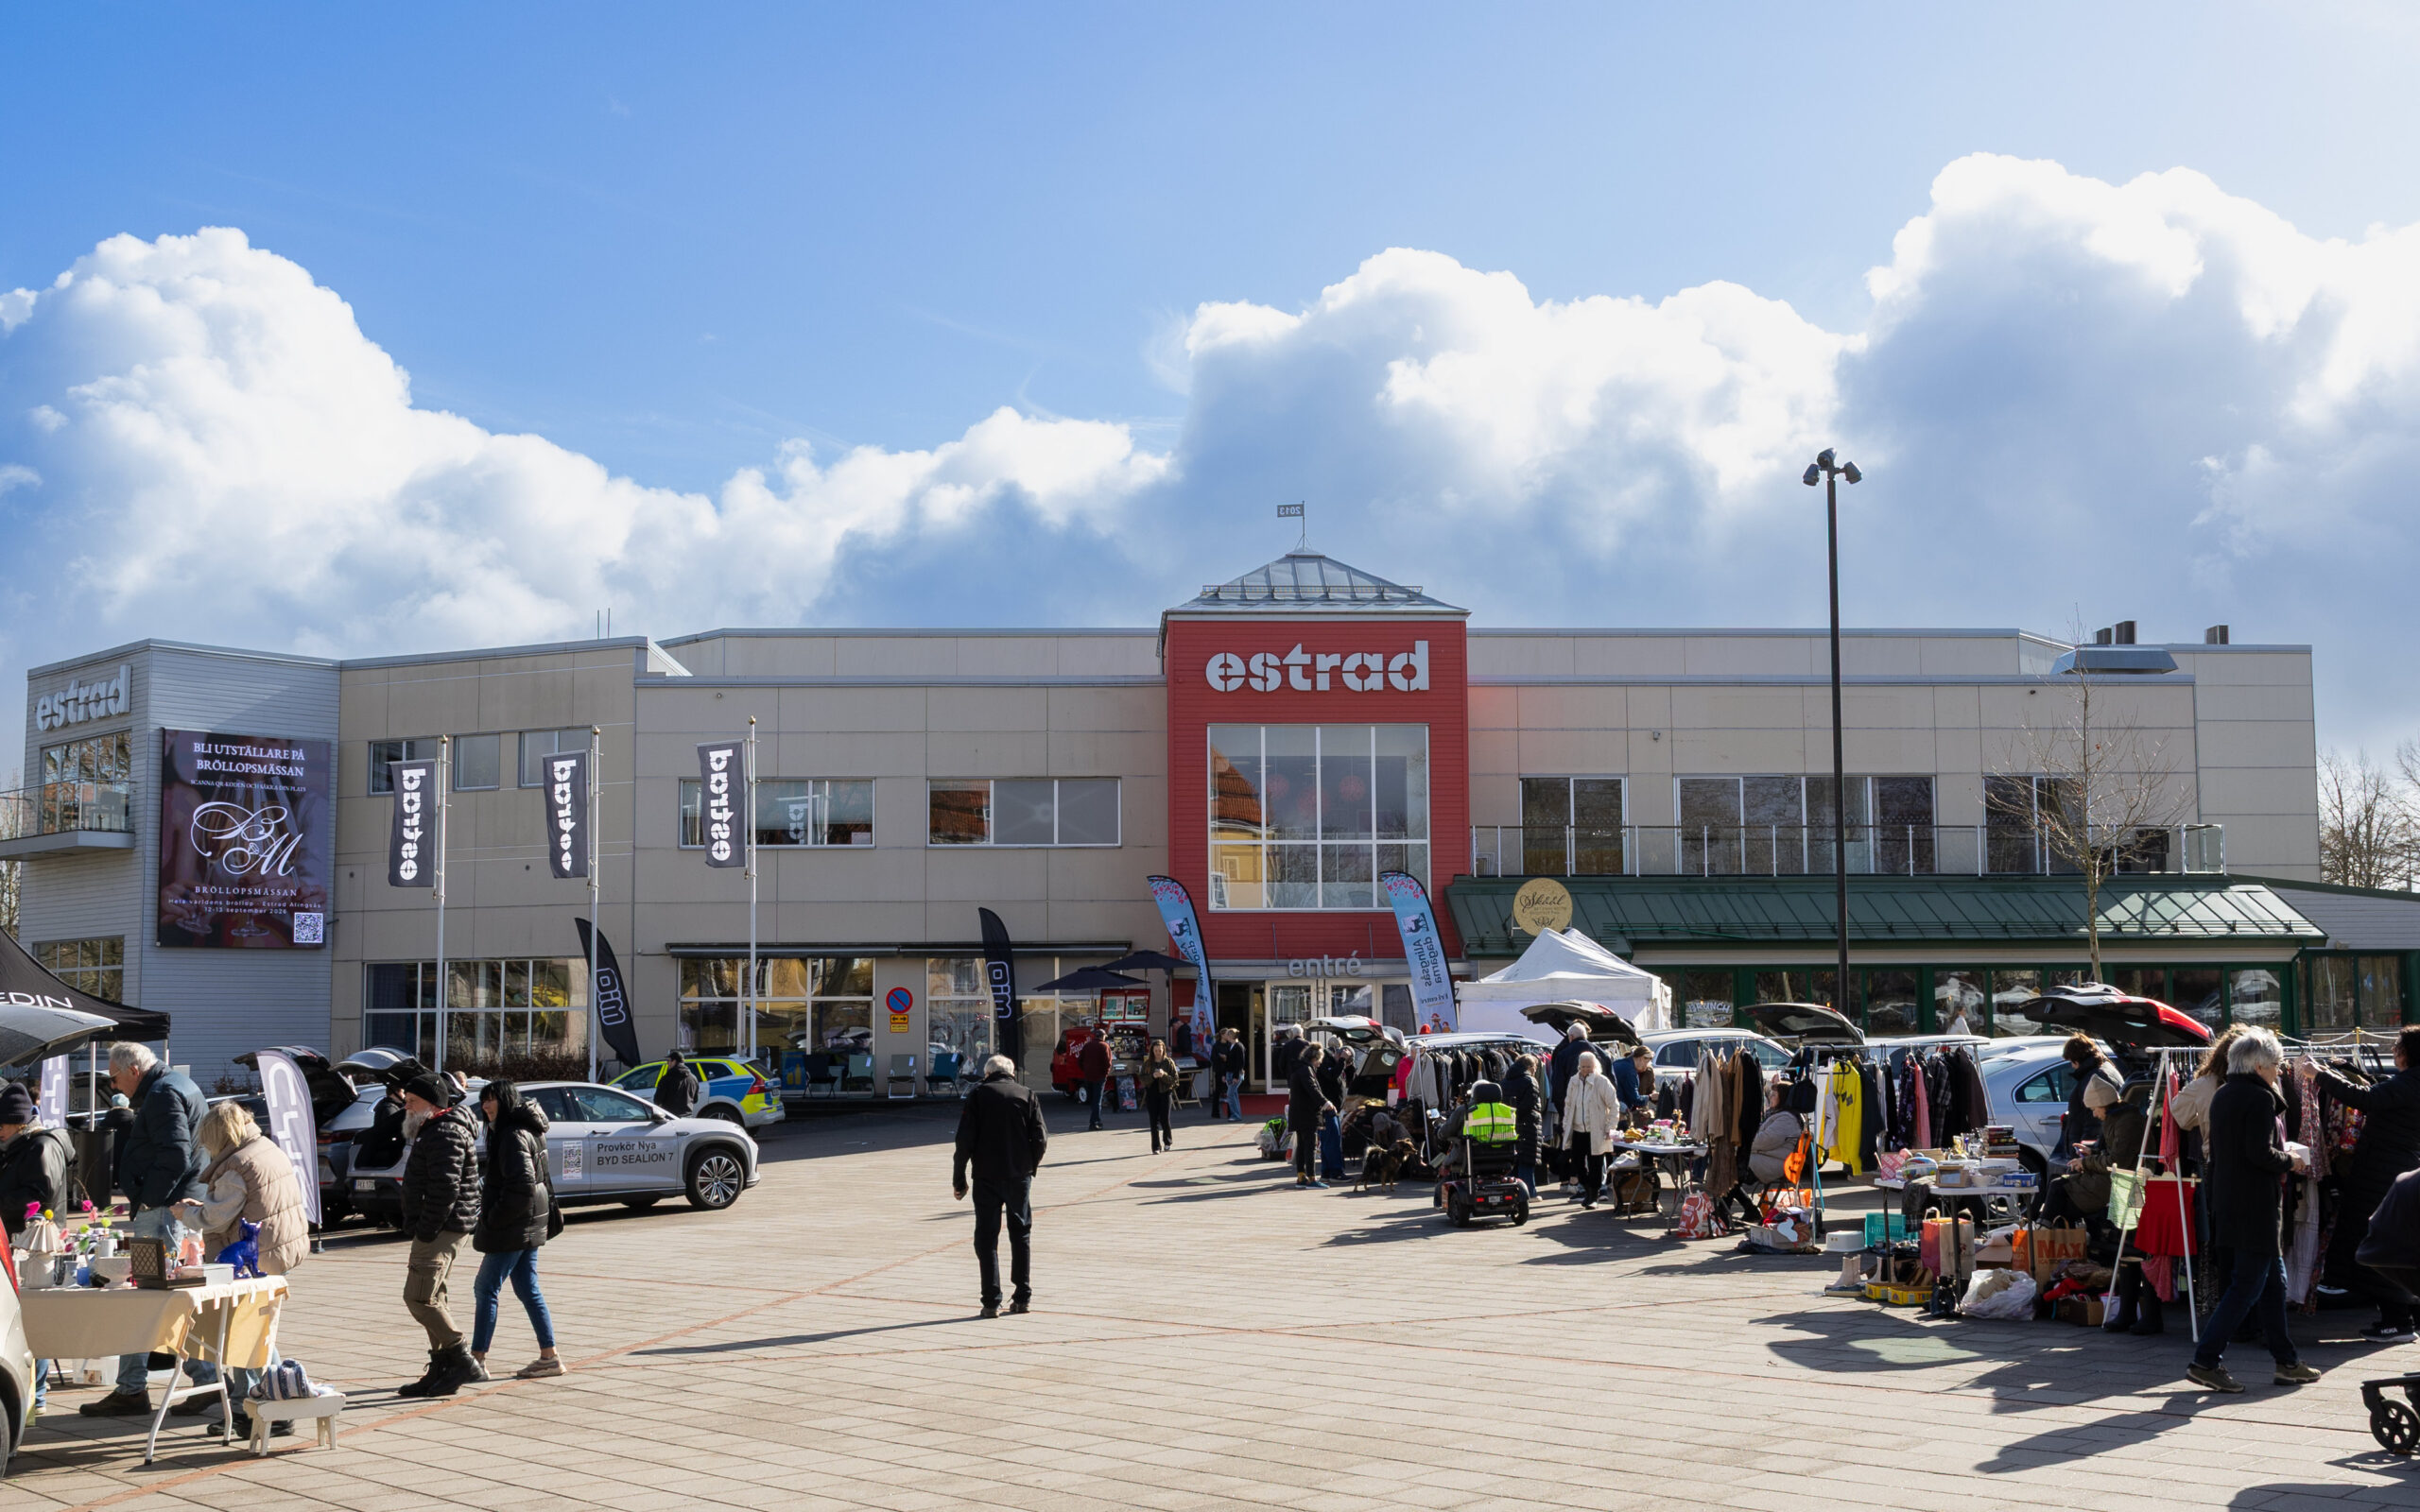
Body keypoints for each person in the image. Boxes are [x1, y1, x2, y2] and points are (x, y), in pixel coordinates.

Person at [2187, 1027, 2322, 1394]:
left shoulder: (2224, 1093)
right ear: (2260, 1065)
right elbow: (2258, 1153)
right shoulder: (2259, 1099)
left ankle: (2287, 1361)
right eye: (2277, 1065)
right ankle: (2206, 1360)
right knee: (2246, 1287)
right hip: (2255, 1207)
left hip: (2233, 1202)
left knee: (2274, 1285)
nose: (2279, 1071)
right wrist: (2291, 1160)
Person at [82, 1042, 208, 1418]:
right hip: (177, 1205)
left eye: (114, 1076)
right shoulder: (174, 1085)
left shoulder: (164, 1091)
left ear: (133, 1070)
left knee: (151, 1298)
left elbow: (175, 1154)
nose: (113, 1083)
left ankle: (146, 1387)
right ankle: (159, 1384)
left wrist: (150, 1199)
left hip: (166, 1209)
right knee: (160, 1298)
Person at [174, 1101, 307, 1421]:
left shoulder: (237, 1164)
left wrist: (186, 1213)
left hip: (252, 1258)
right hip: (276, 1249)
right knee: (260, 1329)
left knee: (248, 1333)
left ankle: (260, 1401)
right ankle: (271, 1395)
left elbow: (215, 1218)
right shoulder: (265, 1148)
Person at [2314, 1026, 2420, 1342]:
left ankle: (2397, 1322)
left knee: (2382, 1243)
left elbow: (2365, 1099)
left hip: (2384, 1173)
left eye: (2398, 1046)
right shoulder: (2408, 1082)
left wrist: (2321, 1075)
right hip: (2392, 1169)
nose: (2394, 1052)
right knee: (2390, 1241)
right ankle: (2399, 1318)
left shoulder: (2411, 1082)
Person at [471, 1081, 565, 1381]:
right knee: (528, 1289)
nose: (486, 1107)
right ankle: (549, 1357)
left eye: (491, 1100)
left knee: (486, 1288)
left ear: (506, 1101)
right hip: (529, 1223)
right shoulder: (526, 1128)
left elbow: (522, 1186)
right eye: (483, 1101)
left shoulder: (511, 1135)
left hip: (514, 1227)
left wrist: (493, 1219)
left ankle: (476, 1361)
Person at [396, 1072, 483, 1398]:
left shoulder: (444, 1132)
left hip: (441, 1228)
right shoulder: (434, 1129)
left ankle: (460, 1358)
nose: (407, 1106)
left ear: (433, 1103)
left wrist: (426, 1228)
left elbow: (445, 1188)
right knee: (434, 1297)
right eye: (406, 1101)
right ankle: (441, 1366)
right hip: (443, 1225)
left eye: (413, 1101)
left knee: (418, 1297)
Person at [953, 1055, 1048, 1317]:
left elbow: (964, 1140)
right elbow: (1040, 1137)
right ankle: (1022, 1296)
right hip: (1019, 1176)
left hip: (985, 1176)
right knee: (1021, 1233)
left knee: (986, 1237)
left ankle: (991, 1301)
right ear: (1012, 1073)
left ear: (987, 1074)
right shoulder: (1026, 1094)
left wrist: (959, 1178)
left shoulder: (978, 1095)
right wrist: (1030, 1166)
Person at [1, 1081, 72, 1420]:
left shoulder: (41, 1146)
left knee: (29, 1321)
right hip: (21, 1239)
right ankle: (34, 1395)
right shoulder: (22, 1145)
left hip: (34, 1244)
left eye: (1, 1124)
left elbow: (36, 1199)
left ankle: (36, 1395)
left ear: (17, 1122)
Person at [1559, 1051, 1620, 1209]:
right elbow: (1569, 1104)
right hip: (1578, 1129)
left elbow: (1614, 1105)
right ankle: (1588, 1189)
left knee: (1595, 1164)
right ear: (1579, 1066)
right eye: (1583, 1066)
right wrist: (1566, 1124)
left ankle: (1593, 1196)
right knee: (1578, 1163)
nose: (1586, 1069)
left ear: (1595, 1066)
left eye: (1589, 1066)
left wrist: (1610, 1127)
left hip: (1597, 1130)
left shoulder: (1602, 1081)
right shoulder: (1573, 1081)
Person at [2058, 1034, 2122, 1158]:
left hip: (2090, 1151)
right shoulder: (2105, 1069)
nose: (2072, 1066)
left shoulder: (2093, 1078)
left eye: (2071, 1061)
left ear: (2076, 1060)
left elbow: (2094, 1123)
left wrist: (2085, 1155)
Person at [1288, 1044, 1333, 1190]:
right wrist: (1326, 1103)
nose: (1320, 1064)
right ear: (1314, 1058)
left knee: (1301, 1146)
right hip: (1307, 1114)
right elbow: (1312, 1089)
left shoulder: (1298, 1068)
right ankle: (1312, 1179)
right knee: (1310, 1146)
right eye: (1319, 1060)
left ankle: (1301, 1177)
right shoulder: (1307, 1070)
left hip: (1298, 1113)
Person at [1747, 1081, 1804, 1187]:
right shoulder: (1780, 1114)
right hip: (1768, 1158)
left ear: (1783, 1098)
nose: (1770, 1098)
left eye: (1774, 1095)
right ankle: (1741, 1203)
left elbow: (1765, 1141)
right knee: (1730, 1167)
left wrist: (1742, 1144)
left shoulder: (1787, 1118)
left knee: (1731, 1167)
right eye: (1770, 1095)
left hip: (1775, 1163)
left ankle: (1737, 1203)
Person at [1502, 1054, 1544, 1195]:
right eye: (1535, 1067)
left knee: (1513, 1160)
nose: (1536, 1070)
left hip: (1508, 1124)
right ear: (1530, 1066)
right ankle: (1529, 1193)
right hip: (1528, 1124)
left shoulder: (1504, 1081)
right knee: (1528, 1160)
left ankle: (1510, 1191)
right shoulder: (1530, 1081)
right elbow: (1530, 1104)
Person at [1141, 1039, 1178, 1153]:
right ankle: (1156, 1147)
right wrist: (1153, 1076)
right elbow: (1142, 1079)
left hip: (1165, 1093)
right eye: (1155, 1050)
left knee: (1165, 1119)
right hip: (1152, 1094)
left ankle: (1167, 1141)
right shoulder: (1148, 1063)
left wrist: (1163, 1075)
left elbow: (1175, 1081)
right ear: (1152, 1051)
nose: (1157, 1053)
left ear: (1163, 1050)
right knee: (1153, 1121)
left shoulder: (1168, 1062)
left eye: (1159, 1050)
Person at [1612, 1046, 1655, 1127]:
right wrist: (1650, 1097)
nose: (1646, 1067)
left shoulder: (1617, 1063)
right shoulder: (1631, 1072)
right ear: (1641, 1058)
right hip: (1619, 1111)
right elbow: (1634, 1099)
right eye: (1646, 1063)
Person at [1079, 1029, 1112, 1131]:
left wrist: (1085, 1070)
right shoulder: (1104, 1046)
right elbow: (1108, 1063)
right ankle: (1095, 1122)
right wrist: (1105, 1074)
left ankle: (1094, 1120)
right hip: (1099, 1077)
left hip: (1088, 1076)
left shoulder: (1087, 1045)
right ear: (1103, 1036)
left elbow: (1079, 1061)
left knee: (1093, 1100)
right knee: (1097, 1101)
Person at [1212, 1027, 1247, 1122]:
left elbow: (1240, 1063)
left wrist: (1236, 1076)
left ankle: (1236, 1115)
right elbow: (1228, 1062)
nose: (1226, 1036)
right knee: (1233, 1094)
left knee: (1230, 1094)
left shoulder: (1238, 1046)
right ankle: (1237, 1114)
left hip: (1235, 1074)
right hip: (1230, 1073)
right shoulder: (1231, 1046)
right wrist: (1224, 1074)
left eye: (1228, 1034)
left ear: (1231, 1036)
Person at [656, 1050, 701, 1118]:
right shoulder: (693, 1078)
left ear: (674, 1061)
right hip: (688, 1117)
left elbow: (657, 1100)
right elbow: (695, 1100)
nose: (667, 1063)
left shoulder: (666, 1079)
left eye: (668, 1061)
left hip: (671, 1118)